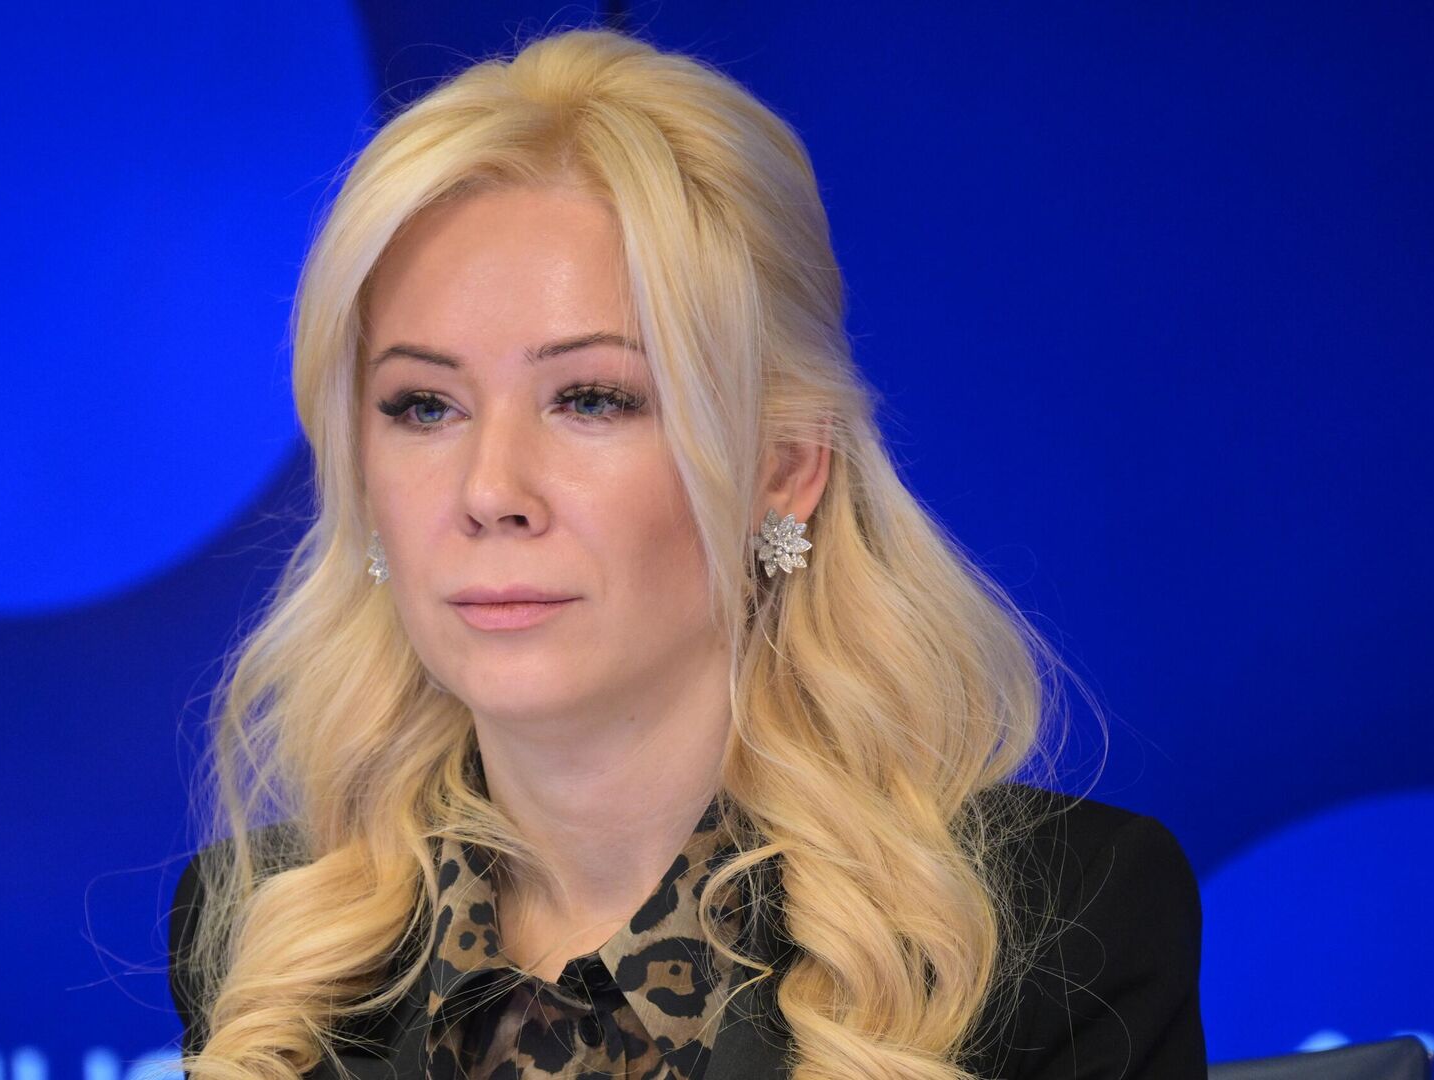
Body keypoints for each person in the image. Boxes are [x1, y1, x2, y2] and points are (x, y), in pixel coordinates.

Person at [165, 25, 1204, 1080]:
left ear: (784, 464)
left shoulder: (1054, 937)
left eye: (592, 398)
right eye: (424, 406)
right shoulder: (270, 945)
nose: (488, 492)